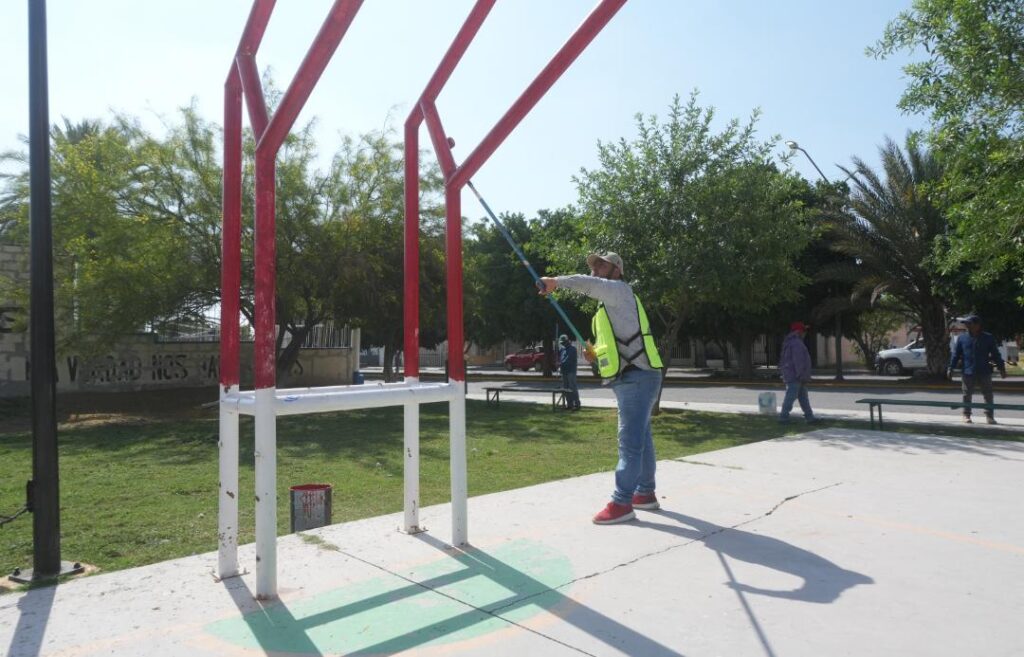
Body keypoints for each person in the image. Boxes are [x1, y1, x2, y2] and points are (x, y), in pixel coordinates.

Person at [539, 252, 664, 525]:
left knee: (629, 442)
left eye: (601, 264)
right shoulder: (609, 305)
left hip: (636, 377)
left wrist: (556, 282)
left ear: (617, 270)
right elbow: (617, 344)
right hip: (636, 376)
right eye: (593, 265)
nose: (595, 268)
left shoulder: (618, 290)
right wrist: (596, 353)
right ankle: (645, 493)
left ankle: (622, 503)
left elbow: (589, 284)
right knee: (641, 438)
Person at [947, 314, 1007, 424]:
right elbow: (956, 355)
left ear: (977, 325)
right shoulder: (962, 338)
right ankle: (966, 415)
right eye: (966, 324)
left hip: (984, 371)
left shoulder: (988, 338)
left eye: (969, 323)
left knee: (988, 394)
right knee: (967, 394)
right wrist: (951, 368)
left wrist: (1002, 368)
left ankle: (989, 416)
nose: (967, 326)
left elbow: (996, 354)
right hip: (968, 371)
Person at [778, 321, 817, 423]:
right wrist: (801, 375)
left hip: (794, 374)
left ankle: (810, 417)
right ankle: (783, 417)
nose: (805, 333)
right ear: (799, 331)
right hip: (796, 376)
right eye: (804, 331)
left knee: (803, 398)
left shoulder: (791, 342)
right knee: (791, 397)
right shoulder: (797, 343)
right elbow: (799, 361)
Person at [558, 334, 582, 411]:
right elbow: (560, 358)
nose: (563, 344)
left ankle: (577, 404)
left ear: (567, 341)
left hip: (571, 371)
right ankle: (569, 404)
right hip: (564, 371)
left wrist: (560, 363)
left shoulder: (573, 349)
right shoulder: (562, 350)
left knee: (572, 387)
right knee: (565, 388)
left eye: (564, 342)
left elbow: (568, 360)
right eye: (562, 343)